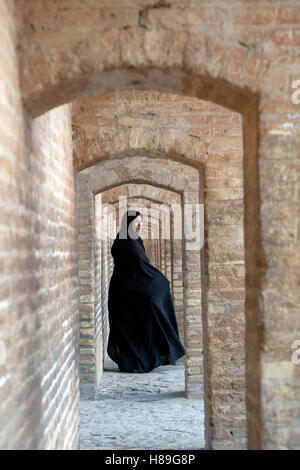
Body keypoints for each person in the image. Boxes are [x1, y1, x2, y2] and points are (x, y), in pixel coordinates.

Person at [107, 210, 185, 373]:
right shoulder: (128, 241)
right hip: (126, 291)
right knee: (130, 325)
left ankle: (135, 362)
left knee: (132, 326)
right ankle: (136, 362)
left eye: (141, 222)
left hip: (125, 287)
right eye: (136, 222)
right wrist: (161, 281)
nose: (140, 225)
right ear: (128, 224)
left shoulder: (127, 238)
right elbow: (141, 264)